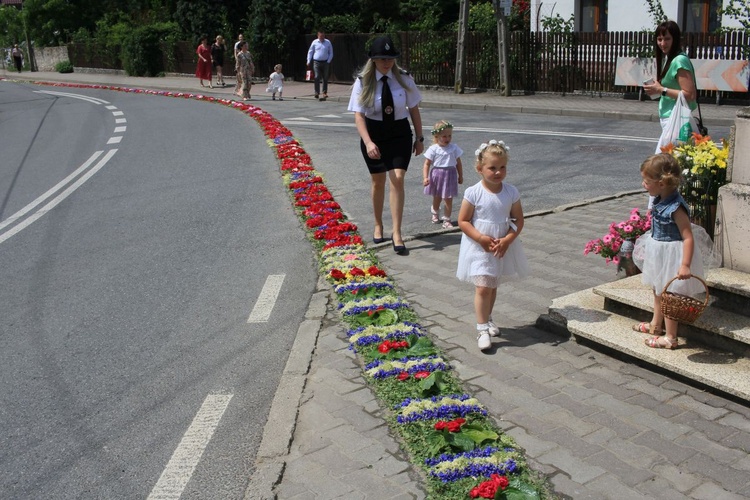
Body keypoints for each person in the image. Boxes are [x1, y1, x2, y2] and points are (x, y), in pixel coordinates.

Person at [348, 36, 424, 255]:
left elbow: (414, 110)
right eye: (382, 58)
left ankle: (397, 232)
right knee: (378, 181)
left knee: (397, 179)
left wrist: (419, 138)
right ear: (373, 59)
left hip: (399, 133)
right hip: (374, 134)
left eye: (390, 58)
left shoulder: (404, 79)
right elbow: (359, 116)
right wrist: (368, 141)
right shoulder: (363, 81)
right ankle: (378, 224)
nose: (386, 62)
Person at [632, 153, 716, 349]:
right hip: (659, 251)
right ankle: (655, 324)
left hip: (673, 255)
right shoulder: (660, 198)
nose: (644, 185)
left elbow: (688, 237)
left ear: (661, 183)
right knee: (657, 288)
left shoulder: (676, 207)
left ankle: (671, 337)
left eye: (646, 181)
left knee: (671, 295)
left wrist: (685, 264)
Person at [456, 140, 529, 351]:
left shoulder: (511, 192)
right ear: (480, 169)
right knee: (482, 287)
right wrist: (480, 238)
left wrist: (507, 240)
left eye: (502, 167)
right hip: (479, 246)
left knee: (492, 285)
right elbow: (463, 221)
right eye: (492, 168)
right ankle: (481, 329)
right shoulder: (473, 192)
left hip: (500, 245)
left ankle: (487, 318)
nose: (498, 172)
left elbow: (518, 220)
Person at [423, 120, 463, 229]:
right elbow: (427, 164)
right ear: (437, 136)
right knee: (437, 197)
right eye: (444, 136)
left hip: (450, 175)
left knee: (448, 198)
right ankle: (435, 212)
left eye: (449, 136)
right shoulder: (433, 149)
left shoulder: (454, 148)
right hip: (437, 175)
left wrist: (461, 175)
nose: (447, 139)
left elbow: (458, 163)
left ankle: (447, 219)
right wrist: (425, 177)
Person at [306, 31, 333, 101]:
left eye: (323, 36)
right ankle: (316, 92)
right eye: (321, 36)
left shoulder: (328, 42)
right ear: (318, 36)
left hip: (325, 62)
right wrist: (308, 60)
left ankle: (324, 92)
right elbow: (310, 51)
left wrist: (328, 61)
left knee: (325, 77)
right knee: (317, 76)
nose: (322, 38)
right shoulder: (315, 42)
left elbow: (331, 52)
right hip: (316, 62)